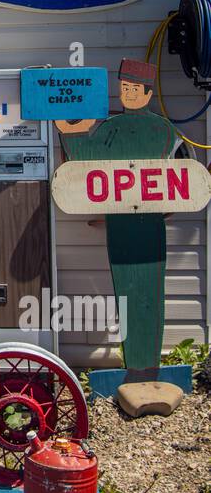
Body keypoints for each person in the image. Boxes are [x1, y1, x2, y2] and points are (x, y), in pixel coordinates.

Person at [55, 57, 176, 373]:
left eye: (136, 88)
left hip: (145, 221)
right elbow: (86, 159)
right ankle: (139, 366)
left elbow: (86, 154)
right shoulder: (137, 128)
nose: (130, 94)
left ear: (148, 93)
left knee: (149, 289)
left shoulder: (155, 129)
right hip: (126, 222)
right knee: (132, 287)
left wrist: (72, 133)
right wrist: (70, 131)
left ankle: (146, 367)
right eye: (125, 88)